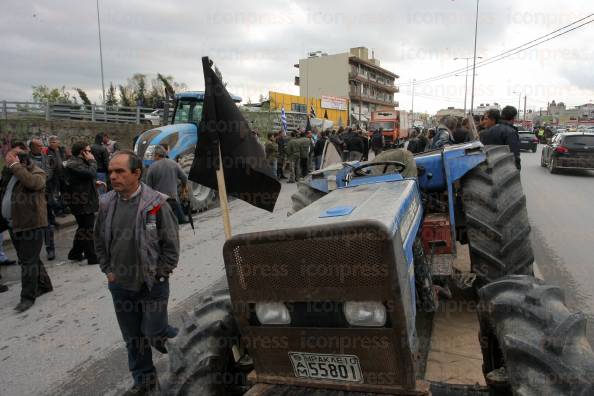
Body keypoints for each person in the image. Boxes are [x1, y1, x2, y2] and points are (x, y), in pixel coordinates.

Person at [95, 150, 180, 395]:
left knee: (155, 333)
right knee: (133, 338)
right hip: (120, 285)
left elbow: (171, 245)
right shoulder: (106, 203)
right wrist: (108, 270)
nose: (113, 176)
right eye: (111, 171)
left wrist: (161, 273)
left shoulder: (156, 203)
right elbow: (99, 241)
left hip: (152, 284)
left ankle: (191, 348)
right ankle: (144, 380)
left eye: (120, 171)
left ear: (137, 173)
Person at [0, 144, 53, 312]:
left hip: (32, 223)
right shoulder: (11, 174)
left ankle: (27, 297)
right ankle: (45, 284)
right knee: (29, 258)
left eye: (12, 158)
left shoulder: (37, 172)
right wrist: (11, 167)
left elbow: (33, 183)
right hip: (13, 223)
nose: (8, 161)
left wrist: (17, 166)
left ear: (21, 160)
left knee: (28, 261)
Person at [63, 142, 99, 264]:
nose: (91, 154)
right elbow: (90, 173)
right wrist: (93, 161)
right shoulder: (73, 164)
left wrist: (94, 184)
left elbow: (84, 178)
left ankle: (75, 253)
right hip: (80, 202)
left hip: (85, 200)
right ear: (82, 152)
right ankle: (92, 257)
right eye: (88, 151)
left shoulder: (80, 162)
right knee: (87, 230)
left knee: (83, 228)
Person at [146, 145, 188, 224]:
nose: (153, 158)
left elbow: (148, 189)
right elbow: (184, 178)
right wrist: (183, 189)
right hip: (175, 203)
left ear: (157, 155)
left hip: (160, 205)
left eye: (154, 155)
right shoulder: (173, 163)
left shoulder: (152, 168)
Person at [46, 136, 68, 216]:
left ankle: (64, 207)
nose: (52, 143)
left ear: (58, 142)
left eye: (54, 142)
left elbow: (65, 159)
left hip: (63, 174)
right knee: (55, 193)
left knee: (64, 192)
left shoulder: (62, 150)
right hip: (54, 176)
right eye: (51, 142)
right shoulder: (48, 151)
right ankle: (58, 210)